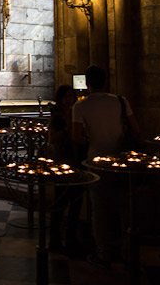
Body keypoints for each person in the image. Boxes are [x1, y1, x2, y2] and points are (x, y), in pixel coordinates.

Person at [72, 64, 139, 267]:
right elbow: (135, 129)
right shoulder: (120, 101)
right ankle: (127, 251)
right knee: (123, 207)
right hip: (122, 162)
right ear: (106, 81)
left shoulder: (80, 105)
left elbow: (77, 138)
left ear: (87, 82)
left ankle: (104, 253)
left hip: (96, 161)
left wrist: (92, 137)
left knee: (100, 209)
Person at [47, 84, 84, 253]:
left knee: (76, 201)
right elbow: (52, 138)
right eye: (67, 97)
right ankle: (55, 239)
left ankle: (71, 237)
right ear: (61, 99)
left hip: (77, 160)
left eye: (72, 96)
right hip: (63, 161)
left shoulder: (77, 112)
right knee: (60, 201)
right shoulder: (57, 116)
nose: (70, 99)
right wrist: (68, 130)